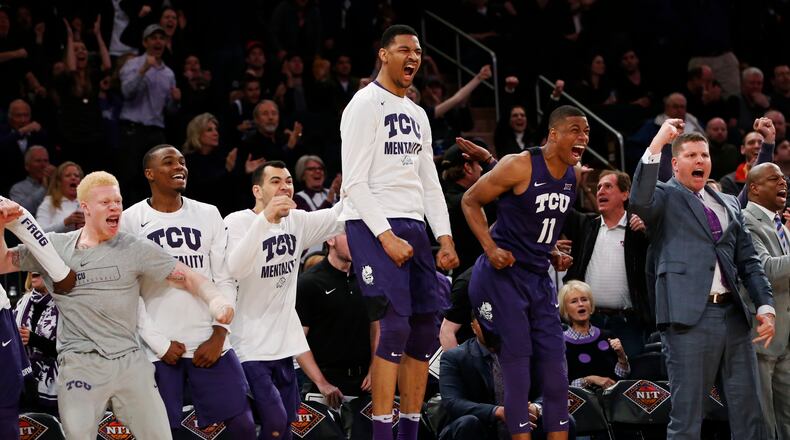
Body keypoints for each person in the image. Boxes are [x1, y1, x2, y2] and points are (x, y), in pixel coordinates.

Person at [0, 171, 233, 440]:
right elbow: (4, 262)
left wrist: (215, 300)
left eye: (118, 201)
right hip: (80, 364)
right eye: (106, 202)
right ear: (85, 207)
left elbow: (189, 277)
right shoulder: (54, 246)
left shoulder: (135, 248)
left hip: (130, 362)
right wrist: (2, 225)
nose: (115, 208)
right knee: (78, 434)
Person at [339, 24, 459, 440]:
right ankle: (381, 433)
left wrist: (443, 236)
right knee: (394, 326)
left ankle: (409, 430)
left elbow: (429, 182)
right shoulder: (363, 104)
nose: (413, 57)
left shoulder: (418, 112)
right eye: (404, 49)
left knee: (426, 327)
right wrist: (385, 235)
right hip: (373, 222)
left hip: (415, 224)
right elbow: (353, 182)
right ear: (383, 55)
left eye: (418, 52)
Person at [629, 118, 776, 439]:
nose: (700, 161)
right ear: (676, 163)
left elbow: (749, 261)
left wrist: (765, 306)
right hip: (687, 319)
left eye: (705, 155)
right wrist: (658, 142)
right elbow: (639, 200)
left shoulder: (726, 203)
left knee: (750, 412)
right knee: (688, 417)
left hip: (735, 319)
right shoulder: (666, 197)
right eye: (692, 155)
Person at [461, 104, 585, 439]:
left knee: (557, 373)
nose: (583, 138)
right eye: (576, 130)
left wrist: (554, 250)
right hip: (500, 275)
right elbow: (470, 200)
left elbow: (537, 222)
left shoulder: (574, 175)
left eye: (587, 131)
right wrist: (489, 247)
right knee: (518, 366)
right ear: (554, 133)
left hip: (536, 277)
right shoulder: (520, 164)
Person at [122, 145, 256, 438]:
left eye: (182, 162)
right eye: (168, 163)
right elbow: (128, 292)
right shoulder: (130, 220)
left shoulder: (208, 214)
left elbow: (225, 279)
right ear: (150, 174)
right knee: (160, 431)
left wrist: (220, 334)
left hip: (208, 340)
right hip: (158, 346)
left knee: (243, 423)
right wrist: (159, 344)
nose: (179, 167)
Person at [224, 161, 345, 440]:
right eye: (276, 181)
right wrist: (265, 219)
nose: (285, 186)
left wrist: (355, 178)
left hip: (284, 347)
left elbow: (339, 216)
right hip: (248, 346)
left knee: (287, 425)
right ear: (258, 190)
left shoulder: (296, 221)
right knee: (275, 421)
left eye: (288, 181)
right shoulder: (236, 222)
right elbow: (235, 268)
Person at [0, 197, 77, 440]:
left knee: (6, 401)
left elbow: (21, 217)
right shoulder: (24, 299)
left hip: (53, 381)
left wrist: (59, 272)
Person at [439, 314, 575, 440]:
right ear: (473, 327)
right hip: (480, 427)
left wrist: (536, 408)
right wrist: (497, 412)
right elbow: (453, 402)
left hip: (526, 425)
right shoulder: (454, 357)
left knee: (563, 419)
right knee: (468, 423)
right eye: (483, 323)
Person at [561, 171, 651, 358]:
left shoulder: (637, 229)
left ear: (625, 194)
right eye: (599, 187)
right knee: (589, 378)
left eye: (608, 186)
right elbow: (562, 208)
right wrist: (574, 180)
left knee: (629, 378)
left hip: (628, 322)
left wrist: (647, 233)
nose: (601, 191)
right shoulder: (586, 226)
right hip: (590, 320)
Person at [743, 161, 790, 440]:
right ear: (755, 188)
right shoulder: (747, 220)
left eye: (783, 178)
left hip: (785, 335)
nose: (783, 182)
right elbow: (767, 270)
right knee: (763, 420)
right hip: (762, 335)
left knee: (787, 419)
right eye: (775, 179)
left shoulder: (779, 223)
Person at [296, 232, 375, 396]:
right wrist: (321, 383)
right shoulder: (309, 283)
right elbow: (297, 340)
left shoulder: (368, 277)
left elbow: (377, 325)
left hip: (364, 383)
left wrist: (375, 368)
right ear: (331, 239)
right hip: (324, 383)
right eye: (349, 234)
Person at [118, 24, 181, 202]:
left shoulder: (169, 74)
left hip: (156, 132)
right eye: (153, 38)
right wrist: (144, 69)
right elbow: (126, 92)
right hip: (133, 130)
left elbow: (170, 112)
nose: (158, 41)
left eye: (161, 38)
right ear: (145, 42)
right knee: (130, 177)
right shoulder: (132, 64)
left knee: (156, 179)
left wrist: (176, 101)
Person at [558, 280, 630, 389]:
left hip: (611, 400)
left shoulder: (607, 336)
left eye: (584, 299)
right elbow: (562, 384)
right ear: (565, 310)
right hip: (581, 403)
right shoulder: (560, 343)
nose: (581, 304)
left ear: (591, 306)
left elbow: (622, 376)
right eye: (574, 301)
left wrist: (622, 357)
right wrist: (591, 380)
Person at [13, 272, 59, 413]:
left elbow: (73, 350)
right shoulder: (22, 302)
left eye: (38, 263)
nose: (33, 269)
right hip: (23, 387)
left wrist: (34, 340)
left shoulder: (66, 304)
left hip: (58, 390)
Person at [182, 113, 237, 215]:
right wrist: (227, 170)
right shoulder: (187, 161)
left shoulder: (221, 157)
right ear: (197, 133)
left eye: (216, 129)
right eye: (209, 130)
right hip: (196, 214)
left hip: (222, 213)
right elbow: (202, 188)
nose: (216, 133)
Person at [36, 161, 84, 233]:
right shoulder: (49, 202)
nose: (73, 178)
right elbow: (39, 233)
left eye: (76, 176)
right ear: (59, 182)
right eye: (68, 175)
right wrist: (65, 223)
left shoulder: (88, 202)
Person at [9, 145, 55, 215]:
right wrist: (44, 188)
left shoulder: (59, 185)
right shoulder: (17, 189)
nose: (43, 165)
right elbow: (23, 211)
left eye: (46, 161)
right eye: (38, 161)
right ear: (27, 166)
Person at [719, 130, 765, 195]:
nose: (756, 146)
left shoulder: (780, 179)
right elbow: (734, 205)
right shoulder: (728, 181)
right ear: (743, 149)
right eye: (751, 143)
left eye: (761, 143)